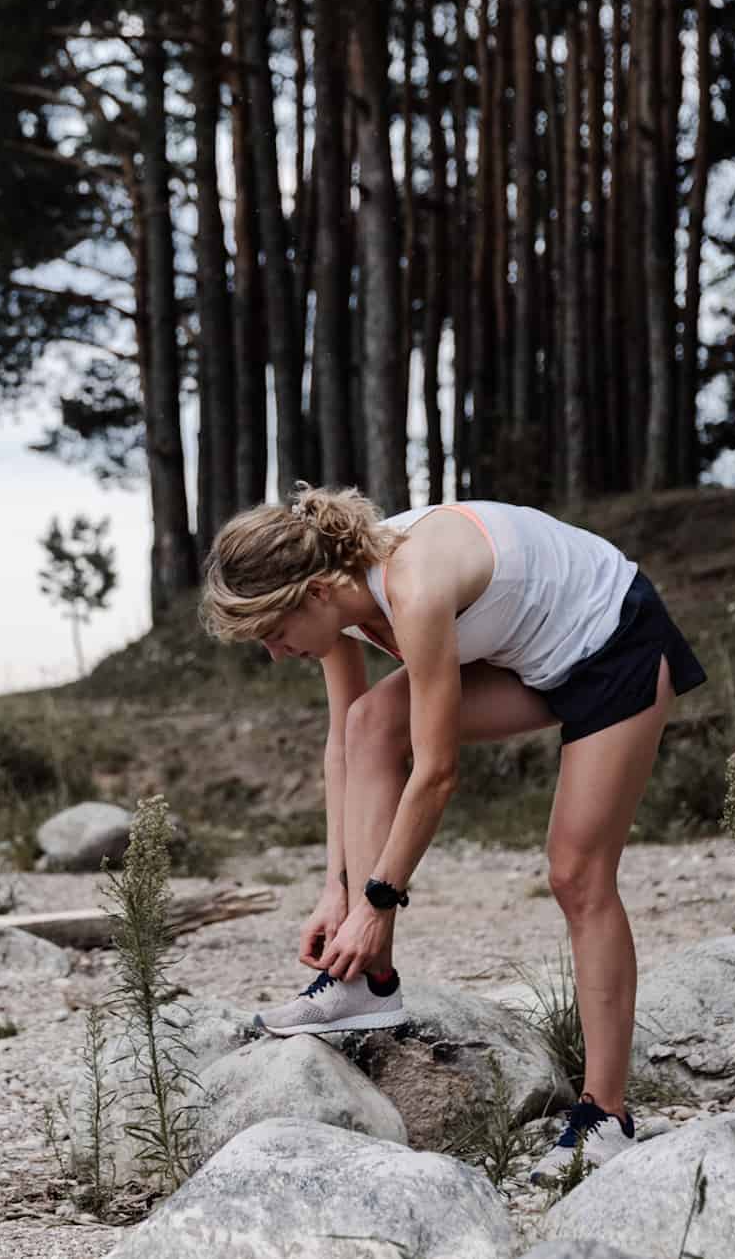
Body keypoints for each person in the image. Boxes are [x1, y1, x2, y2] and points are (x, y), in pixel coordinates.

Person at [197, 482, 707, 1182]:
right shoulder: (338, 601)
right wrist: (337, 892)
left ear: (315, 593)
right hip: (533, 656)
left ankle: (605, 1116)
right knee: (370, 723)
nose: (277, 655)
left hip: (618, 642)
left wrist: (378, 904)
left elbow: (436, 773)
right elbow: (347, 746)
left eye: (274, 636)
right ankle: (366, 985)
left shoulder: (414, 585)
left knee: (576, 874)